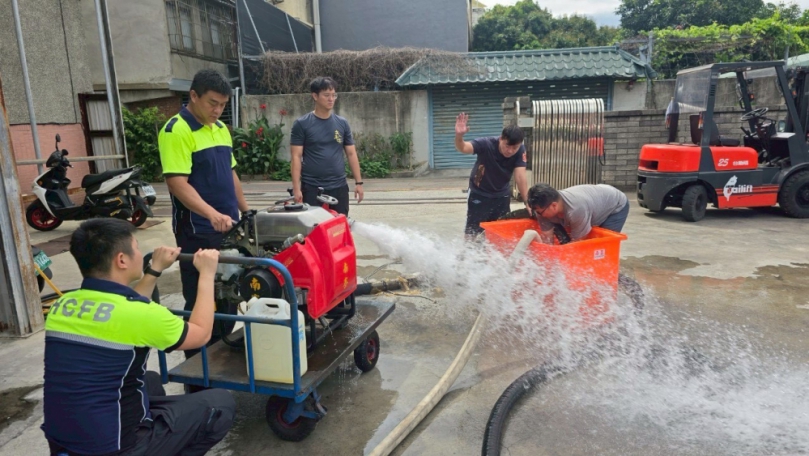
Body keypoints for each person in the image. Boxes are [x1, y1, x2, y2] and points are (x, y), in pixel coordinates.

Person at [42, 218, 234, 456]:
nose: (139, 252)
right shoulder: (140, 314)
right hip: (112, 447)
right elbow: (201, 334)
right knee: (220, 403)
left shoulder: (63, 304)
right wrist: (206, 274)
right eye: (136, 247)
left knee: (150, 380)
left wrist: (154, 269)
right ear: (121, 260)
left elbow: (125, 305)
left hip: (63, 440)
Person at [159, 69, 248, 357]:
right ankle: (197, 370)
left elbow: (230, 173)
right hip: (197, 230)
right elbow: (176, 183)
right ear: (193, 96)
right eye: (212, 103)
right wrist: (210, 213)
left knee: (228, 293)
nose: (218, 110)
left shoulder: (220, 128)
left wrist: (245, 212)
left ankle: (222, 356)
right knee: (200, 298)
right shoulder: (176, 130)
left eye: (223, 105)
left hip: (228, 227)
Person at [290, 77, 364, 215]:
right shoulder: (302, 124)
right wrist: (296, 188)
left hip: (339, 185)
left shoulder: (342, 123)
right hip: (312, 186)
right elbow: (296, 156)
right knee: (314, 228)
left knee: (339, 226)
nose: (331, 99)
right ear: (315, 96)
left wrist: (359, 183)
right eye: (326, 95)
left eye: (333, 95)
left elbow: (351, 154)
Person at [455, 112, 530, 239]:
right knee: (472, 233)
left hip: (501, 196)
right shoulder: (486, 144)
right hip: (479, 193)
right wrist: (459, 136)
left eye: (514, 148)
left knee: (501, 232)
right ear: (501, 139)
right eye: (507, 146)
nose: (510, 151)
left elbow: (520, 177)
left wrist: (528, 202)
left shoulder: (520, 150)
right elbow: (463, 148)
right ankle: (467, 256)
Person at [527, 183, 629, 243]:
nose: (538, 216)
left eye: (540, 213)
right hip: (593, 200)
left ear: (554, 206)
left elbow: (577, 242)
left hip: (615, 204)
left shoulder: (576, 209)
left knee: (603, 243)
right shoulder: (543, 207)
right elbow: (547, 239)